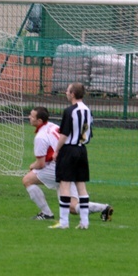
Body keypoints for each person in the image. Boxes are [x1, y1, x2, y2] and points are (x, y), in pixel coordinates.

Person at [23, 106, 113, 222]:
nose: (29, 117)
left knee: (27, 180)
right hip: (69, 162)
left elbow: (40, 164)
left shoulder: (40, 137)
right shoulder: (53, 126)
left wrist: (32, 166)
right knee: (72, 207)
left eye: (32, 116)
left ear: (39, 121)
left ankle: (46, 213)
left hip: (58, 166)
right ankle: (104, 208)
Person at [50, 82, 94, 230]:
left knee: (65, 184)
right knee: (81, 185)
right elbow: (89, 133)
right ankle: (84, 222)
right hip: (82, 150)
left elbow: (64, 134)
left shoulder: (70, 111)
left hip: (69, 150)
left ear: (73, 94)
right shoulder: (88, 110)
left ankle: (64, 222)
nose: (66, 93)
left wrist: (56, 150)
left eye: (67, 91)